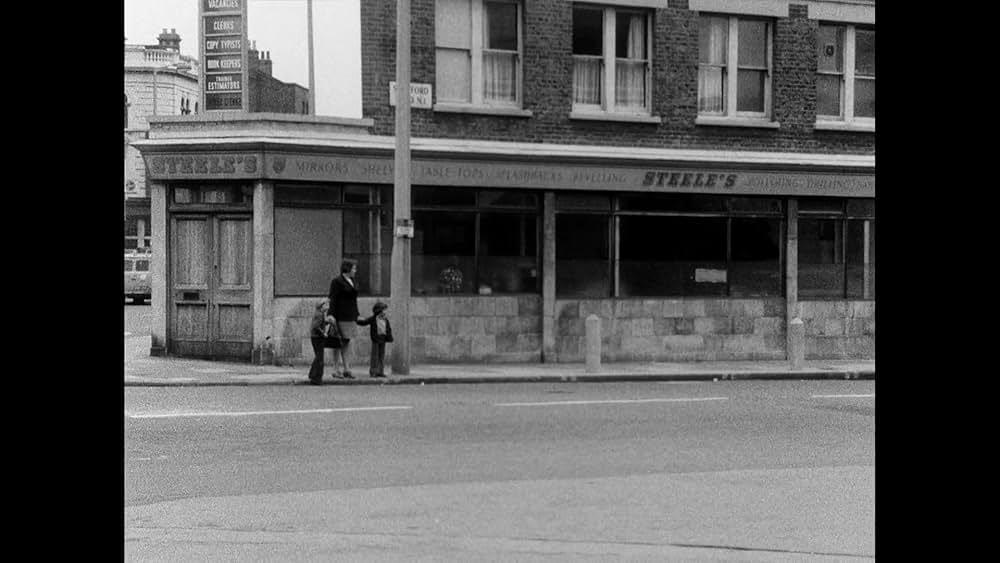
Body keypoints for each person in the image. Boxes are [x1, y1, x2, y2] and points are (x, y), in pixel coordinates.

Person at [328, 259, 362, 379]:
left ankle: (347, 368)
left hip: (350, 316)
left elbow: (353, 299)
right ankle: (336, 368)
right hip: (340, 316)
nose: (355, 271)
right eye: (353, 268)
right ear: (347, 269)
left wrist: (356, 314)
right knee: (338, 342)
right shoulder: (337, 282)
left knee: (347, 341)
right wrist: (331, 315)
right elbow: (333, 299)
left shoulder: (352, 281)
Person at [358, 301, 393, 378]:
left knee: (381, 356)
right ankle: (373, 371)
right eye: (384, 310)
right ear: (378, 311)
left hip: (383, 339)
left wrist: (389, 337)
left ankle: (380, 371)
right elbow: (364, 322)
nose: (385, 312)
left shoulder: (385, 320)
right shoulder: (373, 319)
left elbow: (388, 329)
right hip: (376, 339)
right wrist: (356, 320)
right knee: (375, 356)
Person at [308, 299, 336, 385]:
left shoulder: (320, 314)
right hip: (317, 338)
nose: (328, 306)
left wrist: (327, 322)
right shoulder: (319, 314)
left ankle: (314, 376)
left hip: (316, 337)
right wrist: (323, 333)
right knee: (319, 358)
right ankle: (316, 377)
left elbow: (319, 324)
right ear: (322, 306)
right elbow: (316, 326)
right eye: (326, 305)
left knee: (318, 357)